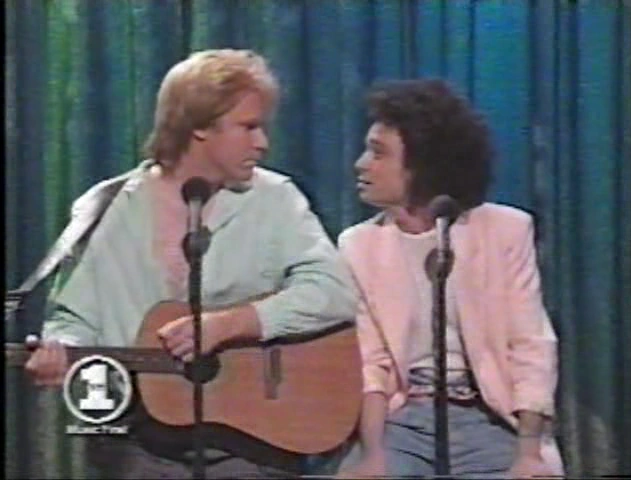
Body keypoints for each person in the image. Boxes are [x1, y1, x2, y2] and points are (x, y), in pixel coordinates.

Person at [24, 49, 358, 479]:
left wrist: (230, 325)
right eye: (248, 127)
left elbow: (334, 291)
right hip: (138, 440)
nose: (262, 143)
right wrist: (60, 350)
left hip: (252, 442)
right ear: (199, 126)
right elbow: (74, 317)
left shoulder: (275, 200)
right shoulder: (107, 207)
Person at [335, 79, 564, 478]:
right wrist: (373, 455)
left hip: (489, 417)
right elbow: (372, 365)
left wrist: (529, 454)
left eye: (378, 153)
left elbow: (531, 345)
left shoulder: (505, 231)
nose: (361, 164)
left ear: (422, 166)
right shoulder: (358, 245)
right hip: (402, 420)